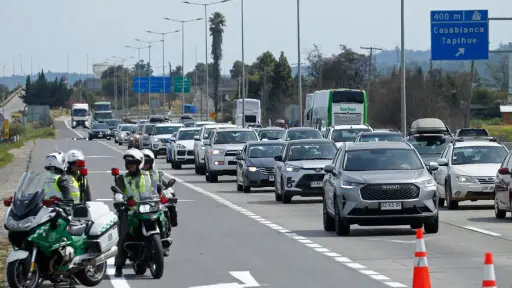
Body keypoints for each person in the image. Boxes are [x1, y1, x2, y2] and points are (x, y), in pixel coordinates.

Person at [113, 149, 155, 277]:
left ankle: (157, 248)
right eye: (128, 162)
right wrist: (119, 197)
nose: (129, 165)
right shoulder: (122, 178)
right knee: (122, 236)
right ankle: (119, 265)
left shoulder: (149, 176)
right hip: (130, 211)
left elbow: (157, 188)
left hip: (147, 208)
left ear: (140, 163)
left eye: (132, 162)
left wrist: (165, 194)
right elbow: (118, 191)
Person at [140, 149, 177, 256]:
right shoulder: (135, 176)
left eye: (148, 163)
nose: (146, 165)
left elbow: (165, 186)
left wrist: (167, 193)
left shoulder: (157, 174)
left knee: (166, 210)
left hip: (154, 203)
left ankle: (165, 237)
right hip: (139, 204)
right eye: (144, 163)